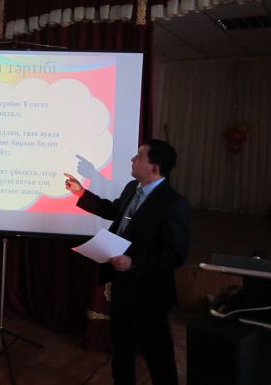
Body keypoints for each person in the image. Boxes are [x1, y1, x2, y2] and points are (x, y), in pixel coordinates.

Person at [64, 139, 190, 385]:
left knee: (158, 356)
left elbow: (176, 254)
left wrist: (134, 263)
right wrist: (81, 193)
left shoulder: (173, 203)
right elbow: (115, 211)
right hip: (122, 286)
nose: (133, 160)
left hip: (151, 293)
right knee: (122, 350)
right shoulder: (133, 187)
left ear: (154, 167)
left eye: (139, 156)